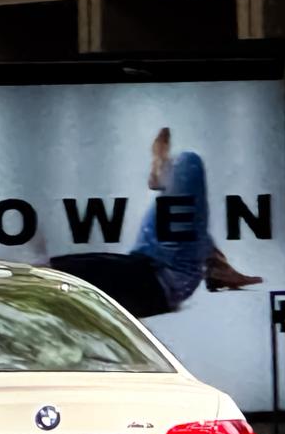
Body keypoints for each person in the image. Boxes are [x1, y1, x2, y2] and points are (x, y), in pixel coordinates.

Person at [50, 127, 261, 318]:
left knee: (182, 196)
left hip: (155, 273)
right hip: (162, 276)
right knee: (189, 164)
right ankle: (216, 264)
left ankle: (164, 171)